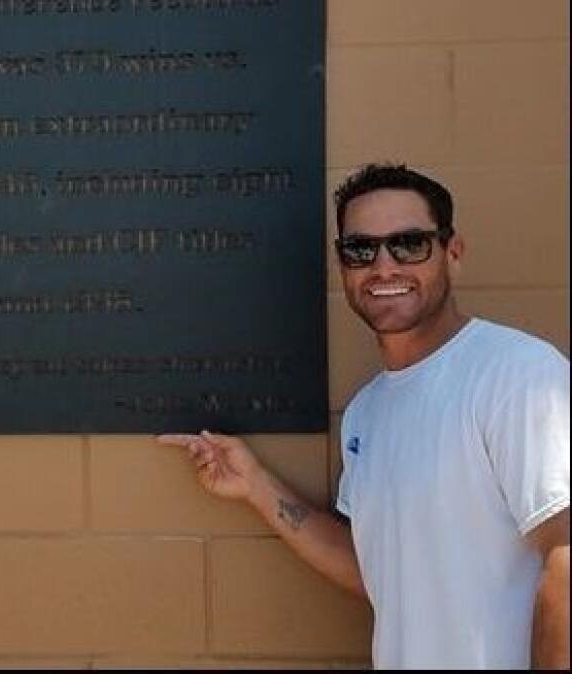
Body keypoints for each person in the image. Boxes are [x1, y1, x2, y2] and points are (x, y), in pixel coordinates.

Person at [158, 164, 569, 669]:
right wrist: (258, 487)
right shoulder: (367, 412)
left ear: (453, 253)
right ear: (343, 266)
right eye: (361, 249)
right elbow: (374, 569)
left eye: (409, 244)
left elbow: (566, 555)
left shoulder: (516, 374)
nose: (384, 266)